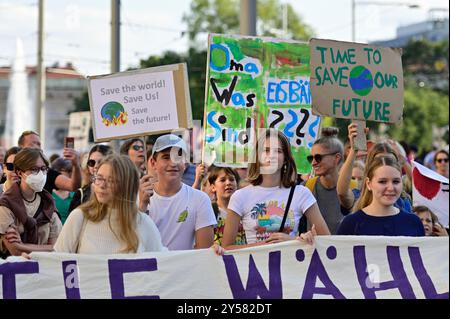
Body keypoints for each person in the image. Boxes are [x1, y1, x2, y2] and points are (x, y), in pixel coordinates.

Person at [222, 129, 330, 250]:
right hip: (254, 267)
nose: (271, 155)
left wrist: (294, 240)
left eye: (278, 151)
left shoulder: (301, 193)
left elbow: (328, 240)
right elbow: (226, 247)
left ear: (285, 159)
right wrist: (267, 245)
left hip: (291, 266)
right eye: (266, 150)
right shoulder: (240, 196)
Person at [53, 154, 166, 254]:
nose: (102, 185)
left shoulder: (144, 222)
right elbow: (58, 262)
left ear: (126, 186)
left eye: (111, 180)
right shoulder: (80, 217)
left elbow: (161, 265)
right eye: (99, 178)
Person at [138, 134, 217, 250]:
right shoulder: (136, 197)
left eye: (178, 157)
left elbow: (204, 252)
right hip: (148, 268)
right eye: (166, 157)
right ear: (153, 163)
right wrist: (142, 207)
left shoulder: (200, 199)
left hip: (186, 268)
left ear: (185, 163)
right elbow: (130, 243)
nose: (173, 163)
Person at [337, 156, 424, 236]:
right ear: (368, 184)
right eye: (382, 181)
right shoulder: (350, 224)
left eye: (396, 181)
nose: (390, 188)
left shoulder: (414, 223)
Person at [337, 123, 413, 214]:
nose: (385, 165)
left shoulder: (404, 202)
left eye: (390, 161)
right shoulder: (358, 196)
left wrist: (401, 158)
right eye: (379, 161)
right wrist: (353, 150)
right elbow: (342, 192)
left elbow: (416, 183)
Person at [0, 148, 62, 256]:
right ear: (20, 172)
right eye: (34, 169)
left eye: (43, 169)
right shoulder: (6, 204)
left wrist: (22, 246)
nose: (40, 174)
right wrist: (46, 248)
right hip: (16, 270)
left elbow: (57, 248)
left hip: (45, 269)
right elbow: (15, 251)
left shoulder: (48, 204)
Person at [306, 127, 357, 234]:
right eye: (311, 158)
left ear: (337, 158)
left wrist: (354, 149)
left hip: (345, 248)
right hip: (315, 249)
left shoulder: (353, 187)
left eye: (318, 157)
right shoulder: (308, 186)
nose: (313, 163)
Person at [207, 165, 246, 245]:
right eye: (222, 180)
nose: (228, 183)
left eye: (232, 179)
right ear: (213, 187)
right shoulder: (209, 211)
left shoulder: (245, 211)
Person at [68, 144, 113, 212]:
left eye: (100, 162)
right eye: (91, 162)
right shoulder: (81, 193)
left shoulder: (120, 191)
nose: (95, 166)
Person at [50, 158, 75, 224]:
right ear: (56, 172)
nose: (71, 174)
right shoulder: (48, 193)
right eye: (68, 171)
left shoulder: (76, 194)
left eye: (72, 171)